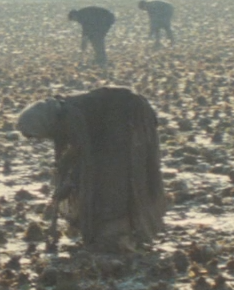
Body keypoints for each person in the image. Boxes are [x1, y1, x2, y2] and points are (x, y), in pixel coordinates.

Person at [16, 86, 164, 250]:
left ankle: (120, 230)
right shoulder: (58, 114)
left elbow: (84, 157)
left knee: (116, 178)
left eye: (36, 135)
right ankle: (115, 229)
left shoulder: (70, 116)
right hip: (112, 123)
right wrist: (66, 174)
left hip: (128, 115)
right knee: (106, 175)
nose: (40, 140)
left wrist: (69, 182)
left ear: (41, 123)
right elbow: (76, 151)